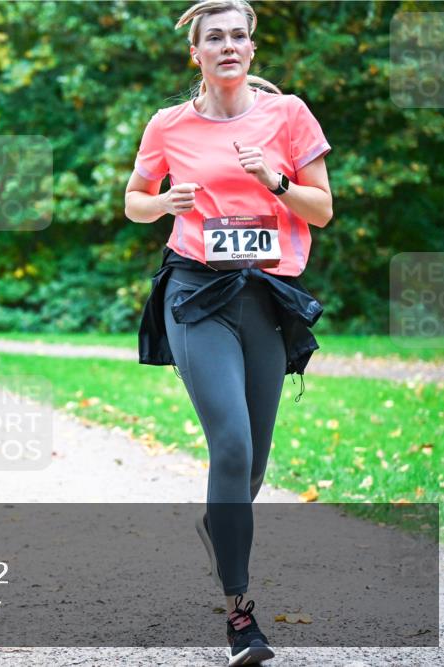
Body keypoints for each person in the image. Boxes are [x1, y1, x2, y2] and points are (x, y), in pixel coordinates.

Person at [124, 1, 333, 665]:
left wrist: (274, 179)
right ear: (197, 53)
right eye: (214, 38)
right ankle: (241, 615)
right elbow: (134, 200)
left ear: (251, 48)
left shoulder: (288, 115)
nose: (228, 46)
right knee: (233, 444)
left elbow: (322, 209)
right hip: (196, 294)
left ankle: (221, 525)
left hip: (264, 296)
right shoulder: (169, 126)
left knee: (254, 465)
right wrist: (164, 203)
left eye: (239, 35)